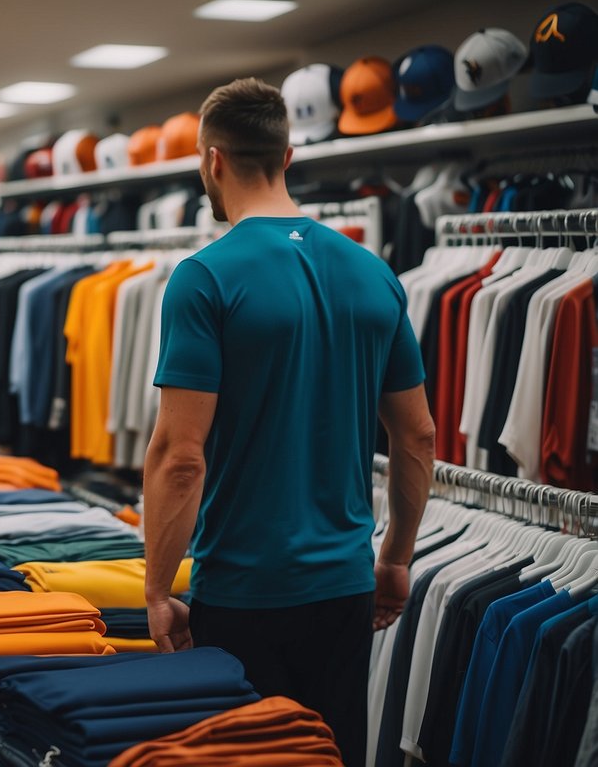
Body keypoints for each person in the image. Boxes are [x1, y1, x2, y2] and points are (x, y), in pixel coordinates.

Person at [141, 78, 435, 765]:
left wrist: (158, 589)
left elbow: (180, 456)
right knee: (328, 753)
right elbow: (417, 436)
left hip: (243, 592)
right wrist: (395, 558)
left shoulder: (205, 278)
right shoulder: (373, 273)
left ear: (212, 161)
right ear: (288, 156)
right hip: (344, 587)